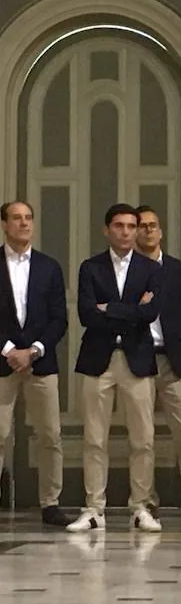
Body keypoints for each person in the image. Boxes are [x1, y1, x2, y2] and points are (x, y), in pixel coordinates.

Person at [67, 204, 162, 533]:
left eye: (131, 226)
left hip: (136, 358)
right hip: (98, 359)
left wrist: (112, 308)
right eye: (119, 225)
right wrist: (132, 308)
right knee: (94, 438)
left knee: (143, 439)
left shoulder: (150, 268)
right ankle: (94, 508)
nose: (126, 231)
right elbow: (87, 315)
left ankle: (140, 506)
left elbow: (150, 315)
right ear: (107, 230)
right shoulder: (90, 268)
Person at [0, 201, 70, 527]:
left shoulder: (49, 266)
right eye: (16, 218)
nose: (24, 224)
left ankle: (50, 502)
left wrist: (33, 351)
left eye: (28, 218)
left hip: (41, 362)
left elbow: (59, 318)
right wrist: (10, 350)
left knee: (50, 435)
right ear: (4, 224)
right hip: (3, 362)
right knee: (0, 434)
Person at [134, 205, 181, 520]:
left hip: (174, 358)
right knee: (142, 435)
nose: (148, 230)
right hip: (138, 358)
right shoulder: (127, 271)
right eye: (142, 225)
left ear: (160, 231)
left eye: (153, 225)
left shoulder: (180, 270)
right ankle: (145, 498)